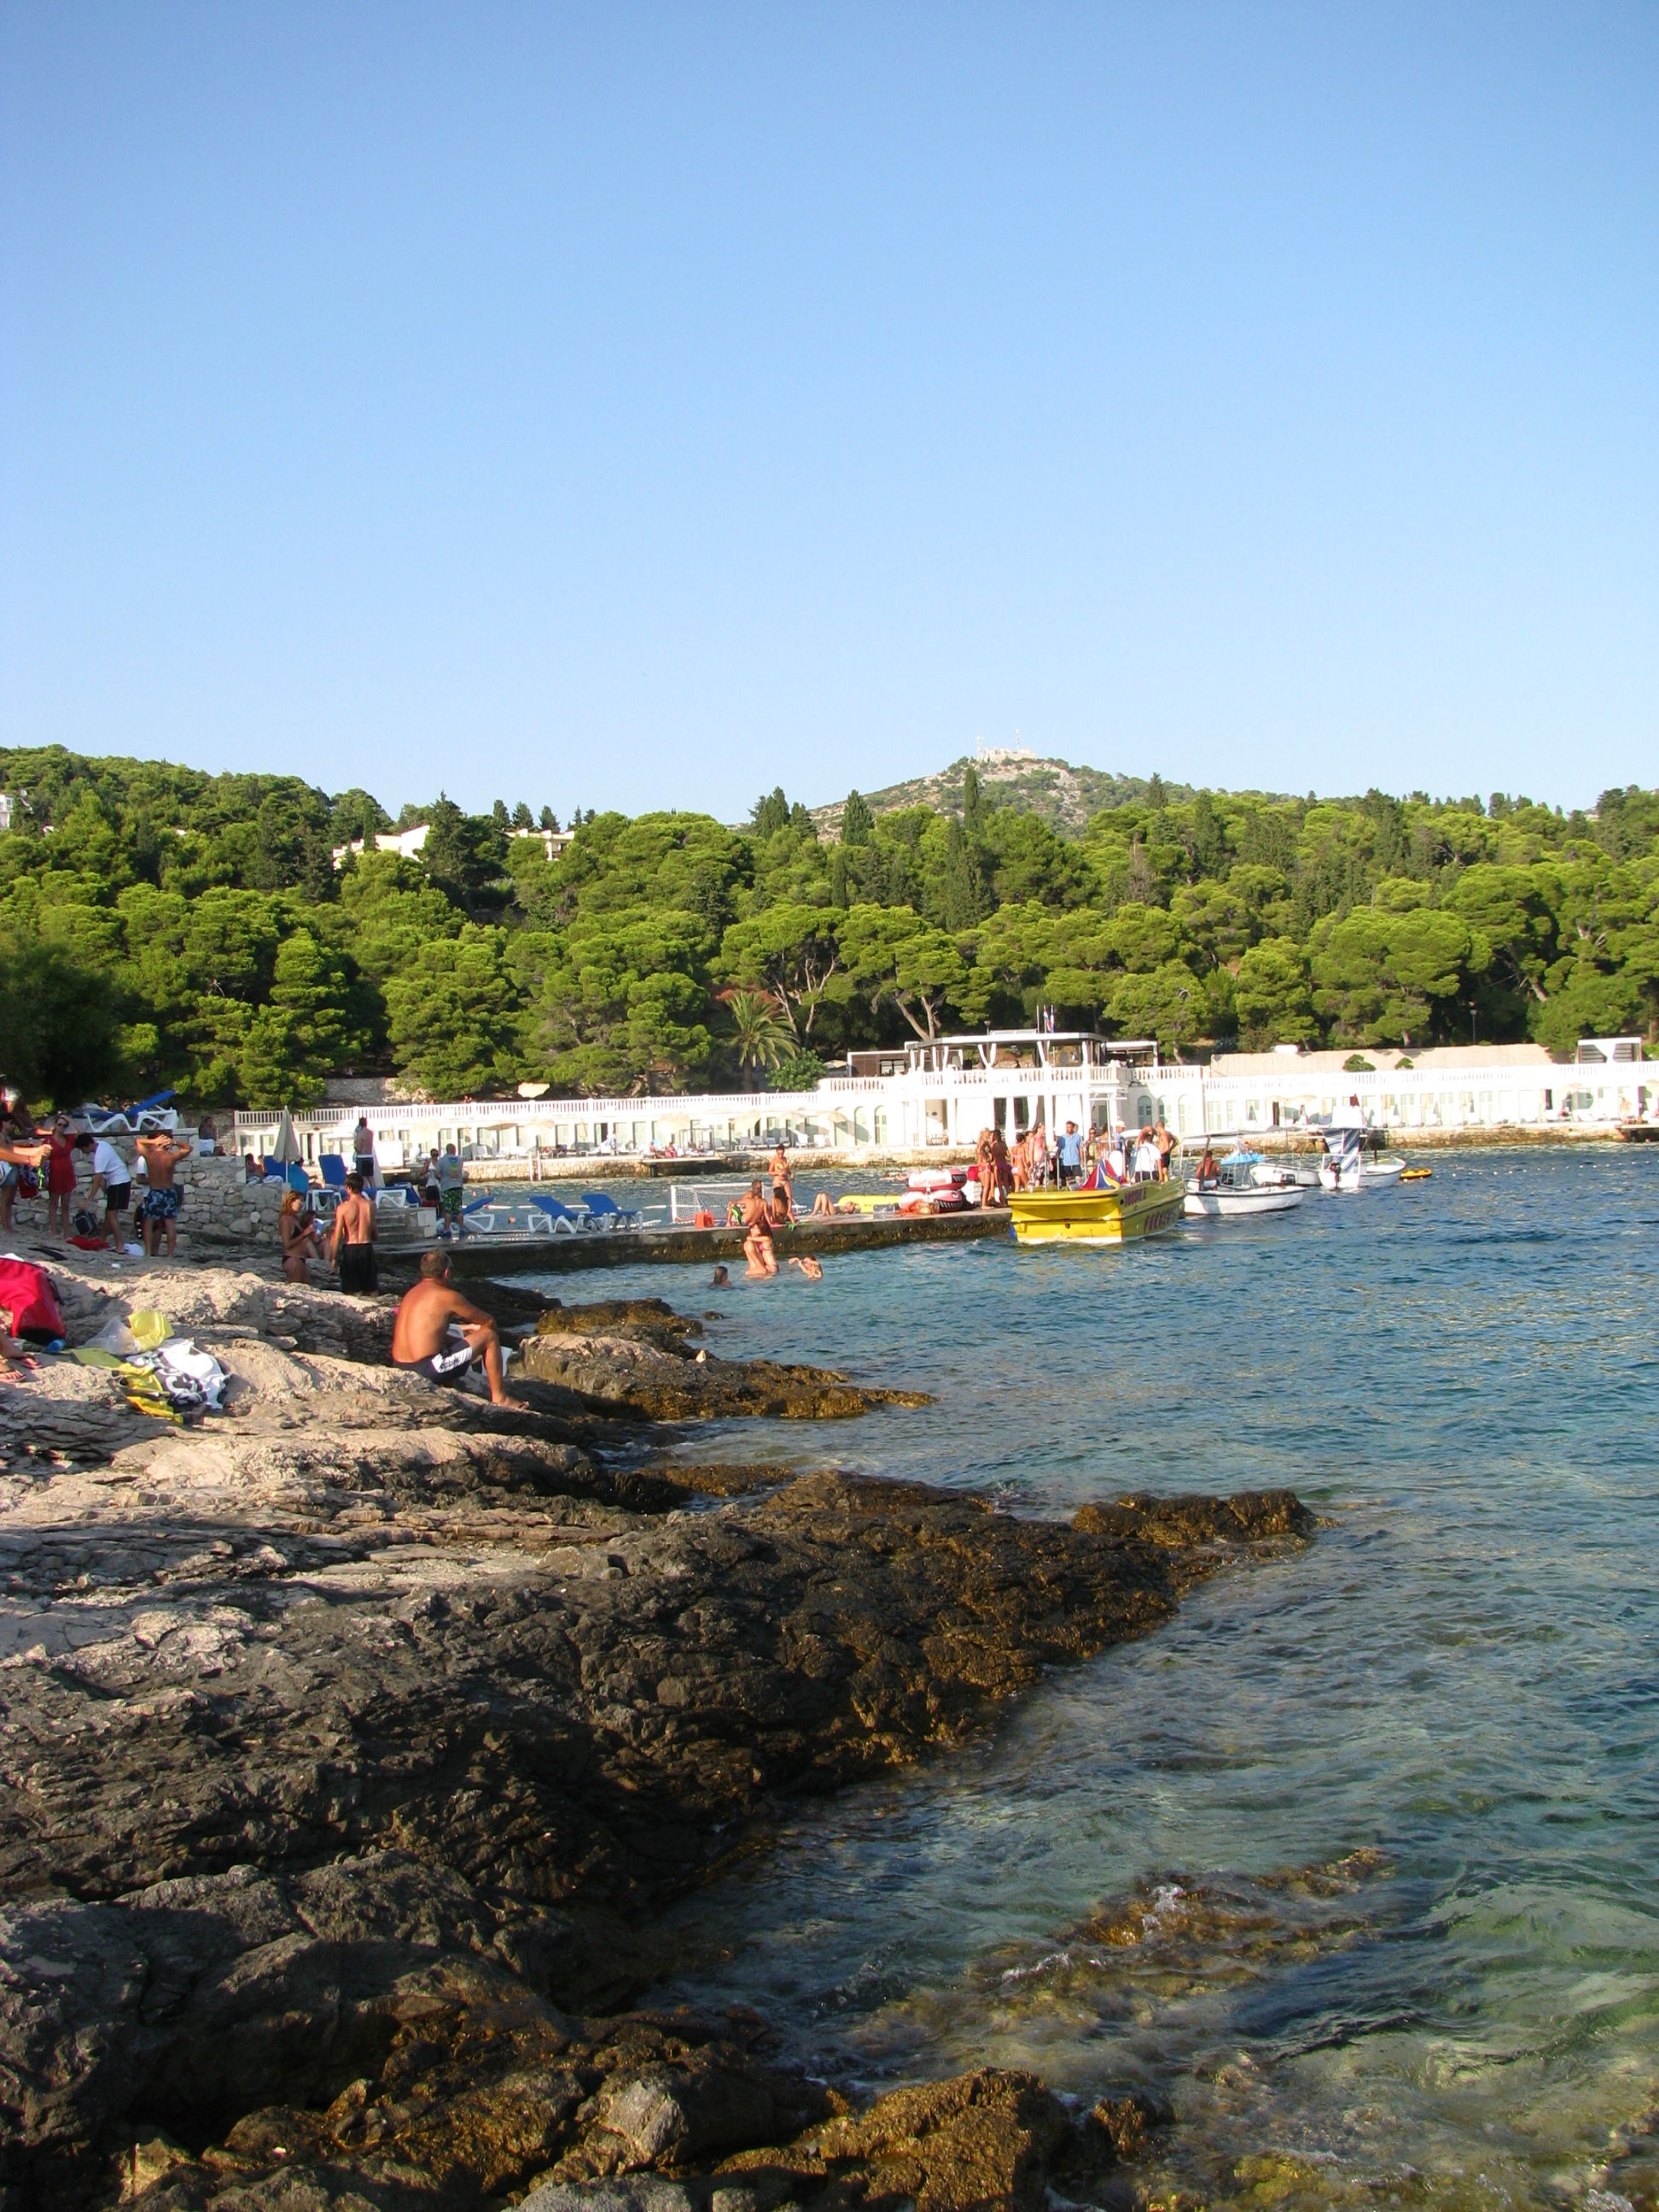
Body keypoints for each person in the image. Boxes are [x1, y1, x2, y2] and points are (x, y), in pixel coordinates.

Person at [391, 1250, 524, 1407]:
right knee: (489, 1337)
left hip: (400, 1366)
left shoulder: (410, 1294)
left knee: (450, 1342)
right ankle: (500, 1398)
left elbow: (428, 1336)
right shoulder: (446, 1296)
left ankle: (449, 1385)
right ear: (446, 1273)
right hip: (427, 1369)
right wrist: (485, 1346)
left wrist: (464, 1342)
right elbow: (488, 1321)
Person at [137, 1130, 194, 1259]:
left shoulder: (149, 1156)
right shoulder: (171, 1157)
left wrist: (153, 1141)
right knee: (170, 1223)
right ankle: (169, 1254)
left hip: (155, 1191)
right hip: (169, 1191)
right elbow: (188, 1148)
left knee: (149, 1222)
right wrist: (174, 1142)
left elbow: (139, 1141)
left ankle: (147, 1252)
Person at [73, 1132, 133, 1247]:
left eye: (83, 1149)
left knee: (112, 1215)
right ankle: (102, 1239)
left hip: (119, 1183)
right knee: (109, 1213)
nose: (83, 1152)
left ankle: (120, 1245)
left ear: (87, 1146)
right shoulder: (102, 1145)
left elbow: (97, 1180)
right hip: (119, 1181)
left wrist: (88, 1200)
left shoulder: (100, 1155)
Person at [329, 1170, 378, 1295]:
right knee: (371, 1291)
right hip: (366, 1247)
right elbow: (375, 1234)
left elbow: (338, 1235)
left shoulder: (343, 1208)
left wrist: (333, 1258)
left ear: (348, 1188)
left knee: (352, 1292)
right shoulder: (370, 1205)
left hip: (350, 1249)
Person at [44, 1116, 79, 1239]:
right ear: (55, 1125)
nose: (62, 1128)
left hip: (67, 1173)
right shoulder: (48, 1141)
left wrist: (69, 1119)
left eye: (64, 1126)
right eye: (60, 1125)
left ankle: (67, 1233)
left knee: (66, 1205)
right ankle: (54, 1232)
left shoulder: (68, 1139)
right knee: (53, 1203)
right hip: (55, 1173)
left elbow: (81, 1133)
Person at [278, 1190, 325, 1282]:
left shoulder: (295, 1218)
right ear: (292, 1201)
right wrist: (304, 1233)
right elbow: (287, 1244)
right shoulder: (285, 1220)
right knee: (296, 1290)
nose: (302, 1205)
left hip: (300, 1258)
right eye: (300, 1202)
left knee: (307, 1286)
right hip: (293, 1259)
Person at [740, 1179, 777, 1278]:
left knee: (748, 1273)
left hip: (772, 1267)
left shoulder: (767, 1239)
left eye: (754, 1227)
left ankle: (759, 1269)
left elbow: (750, 1238)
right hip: (767, 1266)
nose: (752, 1228)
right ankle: (757, 1269)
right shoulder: (756, 1199)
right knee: (748, 1247)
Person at [434, 1144, 467, 1237]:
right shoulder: (460, 1160)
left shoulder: (442, 1161)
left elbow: (436, 1174)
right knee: (458, 1210)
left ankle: (446, 1230)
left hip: (447, 1187)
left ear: (446, 1150)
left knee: (448, 1210)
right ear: (455, 1150)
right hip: (458, 1186)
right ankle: (462, 1229)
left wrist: (441, 1178)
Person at [1056, 1121, 1084, 1189]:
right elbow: (1058, 1149)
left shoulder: (1077, 1137)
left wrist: (1082, 1159)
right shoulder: (1062, 1138)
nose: (1067, 1129)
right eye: (1067, 1127)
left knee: (1078, 1177)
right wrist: (1057, 1158)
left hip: (1076, 1160)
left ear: (1073, 1128)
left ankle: (1078, 1189)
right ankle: (1069, 1189)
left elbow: (1080, 1148)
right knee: (1068, 1178)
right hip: (1066, 1161)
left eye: (1069, 1127)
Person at [352, 1115, 376, 1185]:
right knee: (371, 1178)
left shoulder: (360, 1134)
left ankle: (365, 1194)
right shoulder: (370, 1133)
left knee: (363, 1179)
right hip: (370, 1157)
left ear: (359, 1124)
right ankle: (374, 1195)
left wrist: (355, 1145)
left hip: (361, 1158)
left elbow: (359, 1148)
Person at [1154, 1118, 1177, 1183]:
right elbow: (1176, 1140)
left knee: (1163, 1171)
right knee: (1164, 1170)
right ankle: (1165, 1182)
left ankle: (1165, 1183)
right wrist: (1171, 1148)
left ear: (1159, 1127)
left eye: (1157, 1129)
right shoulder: (1168, 1134)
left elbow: (1166, 1147)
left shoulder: (1163, 1135)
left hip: (1163, 1154)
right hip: (1166, 1154)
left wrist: (1160, 1154)